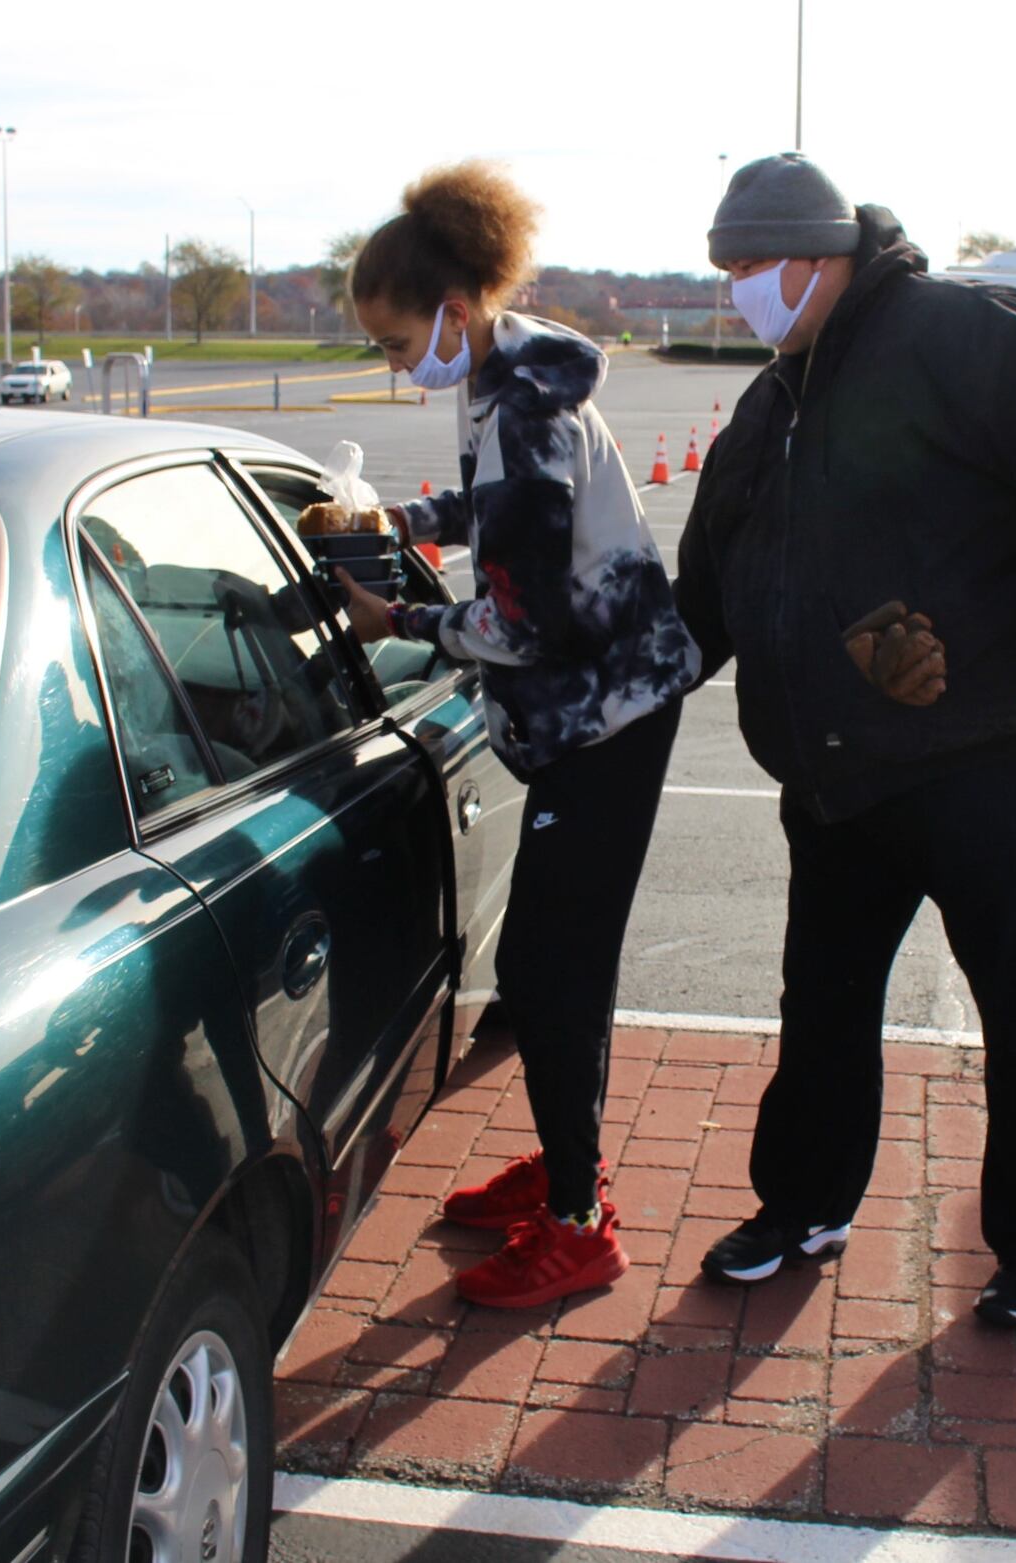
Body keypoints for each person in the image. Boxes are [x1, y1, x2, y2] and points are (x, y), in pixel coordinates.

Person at [677, 152, 1016, 1327]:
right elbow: (710, 575)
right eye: (726, 269)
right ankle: (805, 1203)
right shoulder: (773, 396)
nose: (737, 288)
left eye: (750, 265)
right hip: (840, 775)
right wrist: (618, 679)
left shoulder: (967, 330)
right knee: (823, 1004)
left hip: (993, 751)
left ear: (820, 253)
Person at [341, 162, 701, 1309]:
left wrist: (401, 619)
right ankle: (570, 1161)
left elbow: (526, 620)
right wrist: (404, 519)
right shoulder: (501, 379)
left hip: (608, 713)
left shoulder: (528, 408)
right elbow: (498, 511)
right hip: (602, 702)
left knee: (550, 967)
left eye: (401, 348)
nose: (402, 371)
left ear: (454, 313)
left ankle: (579, 1224)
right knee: (556, 964)